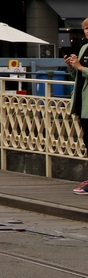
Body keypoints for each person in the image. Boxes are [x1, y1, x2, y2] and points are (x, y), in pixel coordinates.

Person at [65, 16, 88, 194]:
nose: (87, 32)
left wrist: (80, 67)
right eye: (86, 29)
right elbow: (79, 78)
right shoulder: (84, 48)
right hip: (83, 104)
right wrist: (72, 68)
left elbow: (84, 71)